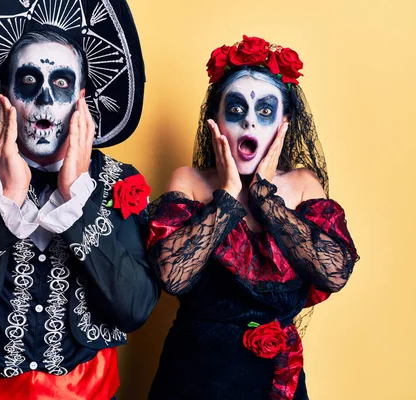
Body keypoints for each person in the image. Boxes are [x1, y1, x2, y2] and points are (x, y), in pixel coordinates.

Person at [0, 1, 158, 399]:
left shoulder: (119, 181)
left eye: (60, 83)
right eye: (28, 81)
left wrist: (77, 202)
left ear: (81, 101)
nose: (43, 101)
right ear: (6, 97)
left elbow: (135, 307)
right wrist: (6, 200)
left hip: (85, 390)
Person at [146, 35, 359, 400]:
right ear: (215, 120)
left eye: (264, 111)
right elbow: (172, 277)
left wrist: (265, 197)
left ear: (284, 123)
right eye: (235, 109)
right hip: (193, 376)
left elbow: (334, 273)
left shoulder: (304, 184)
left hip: (274, 380)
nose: (249, 124)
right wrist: (227, 197)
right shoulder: (190, 181)